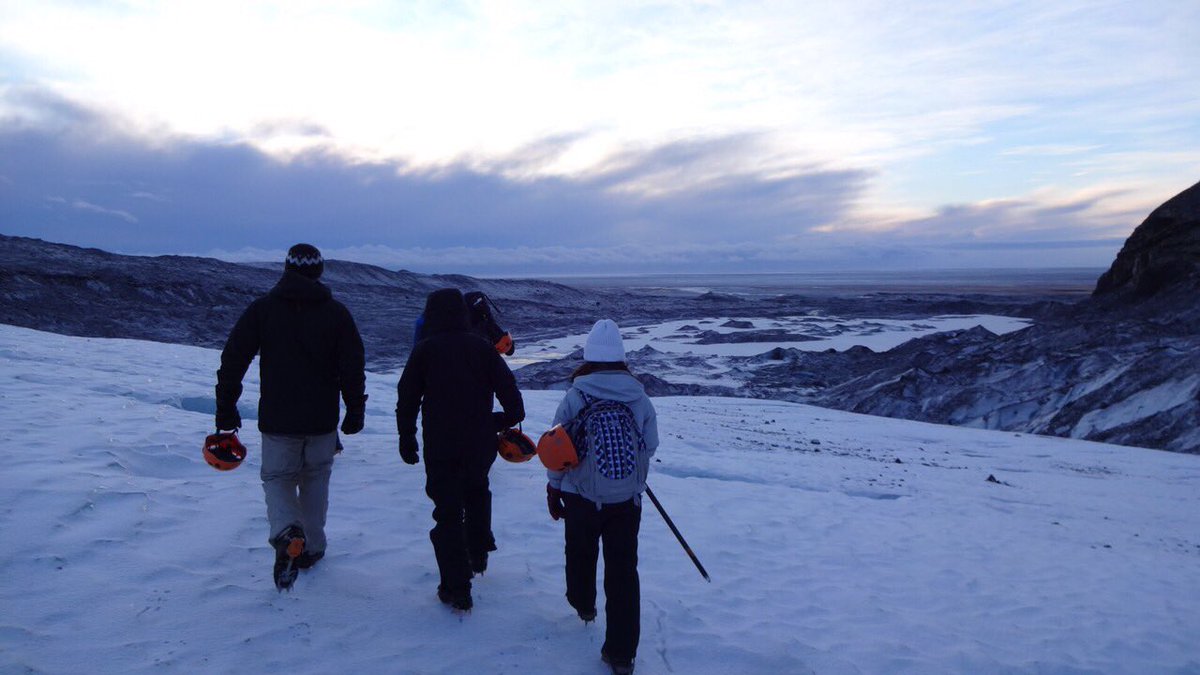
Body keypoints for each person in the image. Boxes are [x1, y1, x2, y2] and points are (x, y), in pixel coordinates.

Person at [214, 243, 367, 591]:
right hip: (321, 421)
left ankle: (287, 534)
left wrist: (225, 408)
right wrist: (355, 408)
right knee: (316, 479)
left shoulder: (263, 310)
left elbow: (234, 360)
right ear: (319, 272)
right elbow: (353, 365)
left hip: (278, 420)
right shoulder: (336, 314)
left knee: (279, 479)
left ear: (285, 270)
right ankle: (311, 548)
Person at [395, 288, 525, 612]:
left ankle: (456, 588)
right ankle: (478, 552)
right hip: (479, 442)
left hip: (440, 444)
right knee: (477, 490)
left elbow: (407, 399)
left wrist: (406, 437)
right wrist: (496, 420)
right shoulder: (482, 348)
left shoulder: (424, 351)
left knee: (447, 512)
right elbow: (513, 401)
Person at [545, 319, 658, 675]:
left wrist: (553, 486)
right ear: (622, 356)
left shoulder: (575, 396)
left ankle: (583, 605)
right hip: (627, 501)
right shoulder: (639, 397)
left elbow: (556, 448)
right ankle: (621, 654)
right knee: (623, 571)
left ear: (589, 356)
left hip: (581, 496)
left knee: (580, 553)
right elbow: (650, 445)